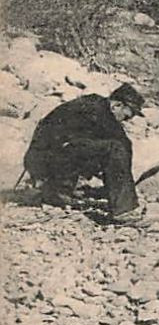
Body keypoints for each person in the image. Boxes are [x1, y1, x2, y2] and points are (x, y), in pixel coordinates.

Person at [23, 82, 146, 223]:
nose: (126, 121)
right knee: (114, 148)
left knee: (109, 147)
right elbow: (119, 145)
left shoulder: (98, 108)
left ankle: (58, 191)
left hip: (49, 159)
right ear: (117, 105)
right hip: (43, 162)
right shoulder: (95, 110)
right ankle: (123, 211)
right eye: (126, 116)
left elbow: (123, 143)